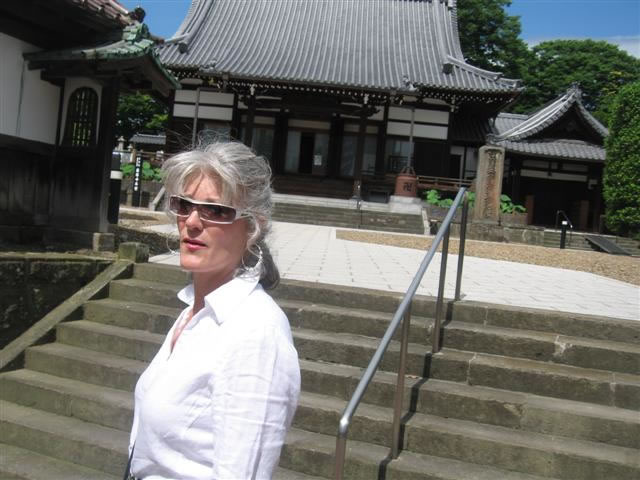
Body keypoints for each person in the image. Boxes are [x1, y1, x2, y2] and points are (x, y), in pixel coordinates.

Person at [127, 141, 301, 479]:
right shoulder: (195, 310)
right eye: (183, 205)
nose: (192, 222)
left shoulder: (255, 332)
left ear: (253, 226)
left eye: (216, 211)